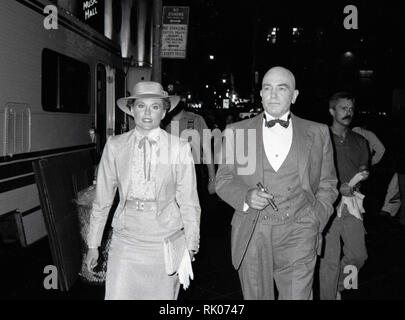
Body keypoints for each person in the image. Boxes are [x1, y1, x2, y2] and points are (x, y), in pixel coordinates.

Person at [215, 66, 338, 300]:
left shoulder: (318, 132)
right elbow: (224, 179)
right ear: (260, 94)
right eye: (267, 88)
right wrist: (245, 196)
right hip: (253, 230)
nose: (272, 95)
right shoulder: (236, 131)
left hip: (300, 229)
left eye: (282, 89)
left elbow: (328, 182)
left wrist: (316, 219)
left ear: (294, 95)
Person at [85, 81, 201, 300]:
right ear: (131, 109)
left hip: (164, 240)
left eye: (155, 106)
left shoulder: (179, 148)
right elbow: (102, 200)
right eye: (141, 106)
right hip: (126, 239)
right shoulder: (115, 146)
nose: (147, 113)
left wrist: (191, 244)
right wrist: (93, 244)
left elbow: (189, 202)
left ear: (164, 111)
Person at [319, 91, 370, 300]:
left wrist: (363, 174)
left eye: (350, 108)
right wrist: (337, 187)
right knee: (329, 261)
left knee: (359, 256)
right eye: (343, 108)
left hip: (352, 205)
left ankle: (340, 286)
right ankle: (329, 297)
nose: (348, 112)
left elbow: (363, 166)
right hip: (328, 205)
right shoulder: (321, 138)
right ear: (332, 111)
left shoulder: (360, 140)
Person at [165, 96, 216, 196]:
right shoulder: (162, 121)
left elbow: (207, 150)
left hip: (193, 171)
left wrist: (212, 178)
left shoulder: (196, 119)